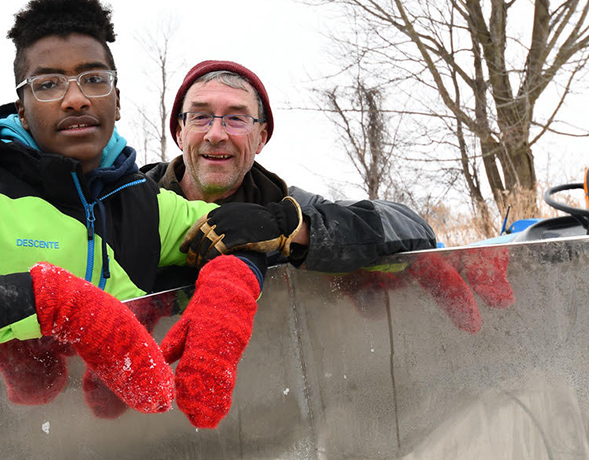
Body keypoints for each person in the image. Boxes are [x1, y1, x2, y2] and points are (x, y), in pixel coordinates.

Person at [0, 0, 269, 429]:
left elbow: (243, 236)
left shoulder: (151, 204)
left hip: (141, 447)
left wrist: (230, 289)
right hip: (1, 451)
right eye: (47, 85)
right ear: (22, 111)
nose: (76, 100)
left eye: (94, 79)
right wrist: (48, 301)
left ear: (118, 100)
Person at [142, 60, 513, 330]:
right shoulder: (127, 204)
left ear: (262, 137)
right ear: (179, 130)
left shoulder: (289, 205)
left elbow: (411, 227)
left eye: (236, 119)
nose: (216, 134)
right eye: (201, 117)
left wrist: (292, 229)